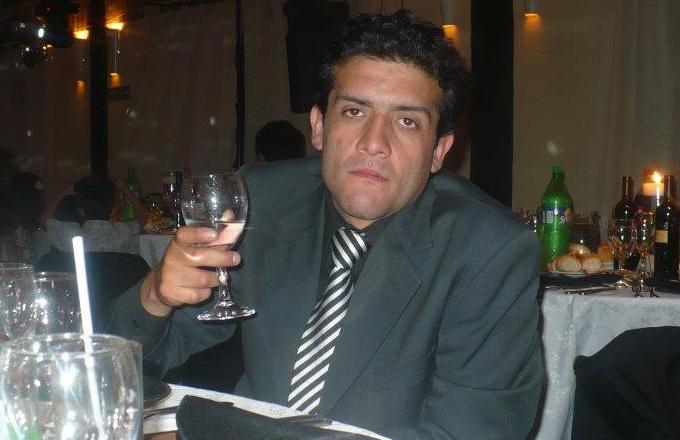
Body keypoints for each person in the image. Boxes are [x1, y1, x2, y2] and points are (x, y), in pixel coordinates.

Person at [110, 10, 543, 438]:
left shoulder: (488, 250)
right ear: (318, 126)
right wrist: (155, 296)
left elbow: (474, 432)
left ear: (438, 152)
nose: (374, 143)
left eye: (407, 121)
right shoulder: (262, 202)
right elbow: (125, 364)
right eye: (355, 112)